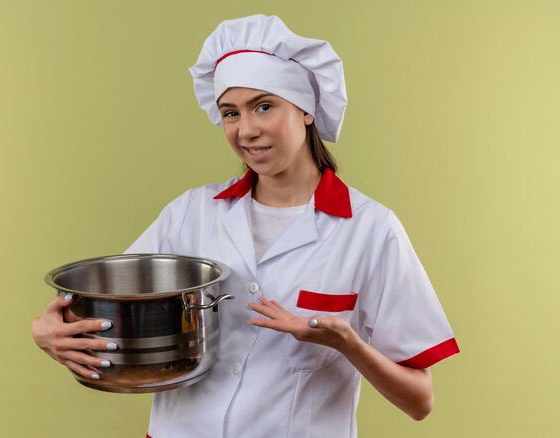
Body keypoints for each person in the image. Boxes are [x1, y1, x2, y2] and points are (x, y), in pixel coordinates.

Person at [32, 14, 459, 438]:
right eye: (230, 113)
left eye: (264, 106)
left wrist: (347, 342)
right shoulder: (190, 213)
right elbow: (104, 308)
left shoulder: (370, 229)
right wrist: (47, 330)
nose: (246, 130)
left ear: (306, 110)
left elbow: (419, 401)